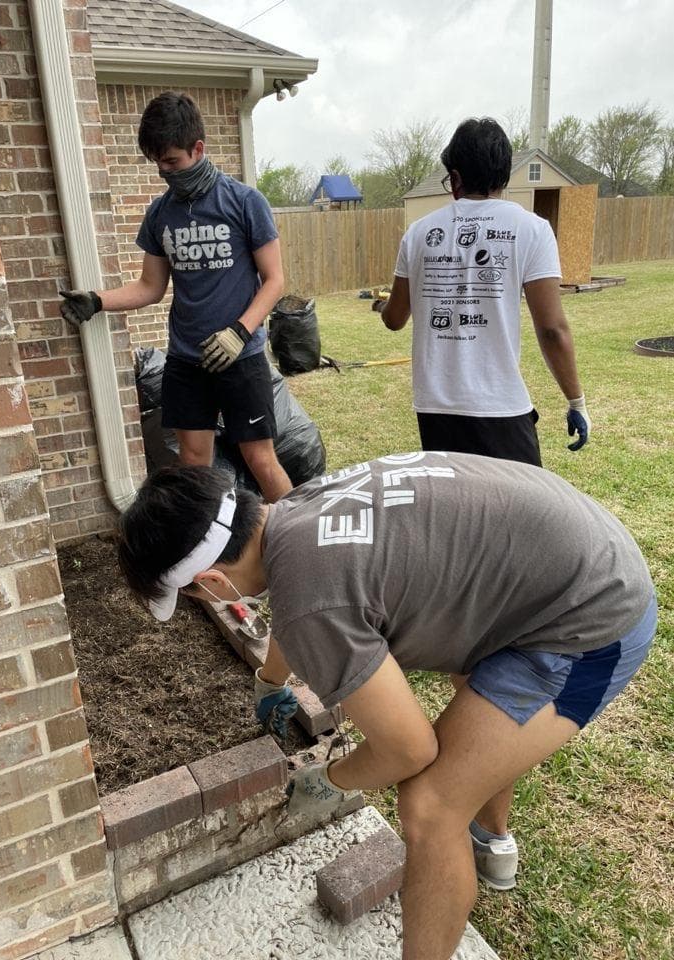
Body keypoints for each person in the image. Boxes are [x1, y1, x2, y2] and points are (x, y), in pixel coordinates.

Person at [117, 452, 656, 960]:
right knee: (472, 723)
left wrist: (330, 779)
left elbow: (408, 749)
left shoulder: (310, 599)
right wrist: (271, 679)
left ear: (211, 581)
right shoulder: (294, 510)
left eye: (192, 593)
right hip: (564, 561)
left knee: (429, 805)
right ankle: (491, 844)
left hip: (593, 619)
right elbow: (302, 598)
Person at [59, 91, 292, 503]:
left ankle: (299, 539)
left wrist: (239, 332)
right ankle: (206, 553)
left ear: (198, 148)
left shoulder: (243, 202)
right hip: (187, 360)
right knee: (193, 464)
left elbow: (274, 280)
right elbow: (150, 287)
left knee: (260, 459)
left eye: (172, 162)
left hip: (242, 357)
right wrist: (97, 300)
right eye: (158, 164)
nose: (165, 172)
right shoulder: (160, 213)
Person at [376, 117, 591, 466]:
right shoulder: (532, 230)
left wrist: (384, 308)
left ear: (456, 177)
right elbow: (552, 329)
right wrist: (576, 401)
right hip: (500, 405)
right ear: (504, 174)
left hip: (435, 407)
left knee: (461, 512)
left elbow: (395, 318)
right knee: (520, 511)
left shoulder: (418, 233)